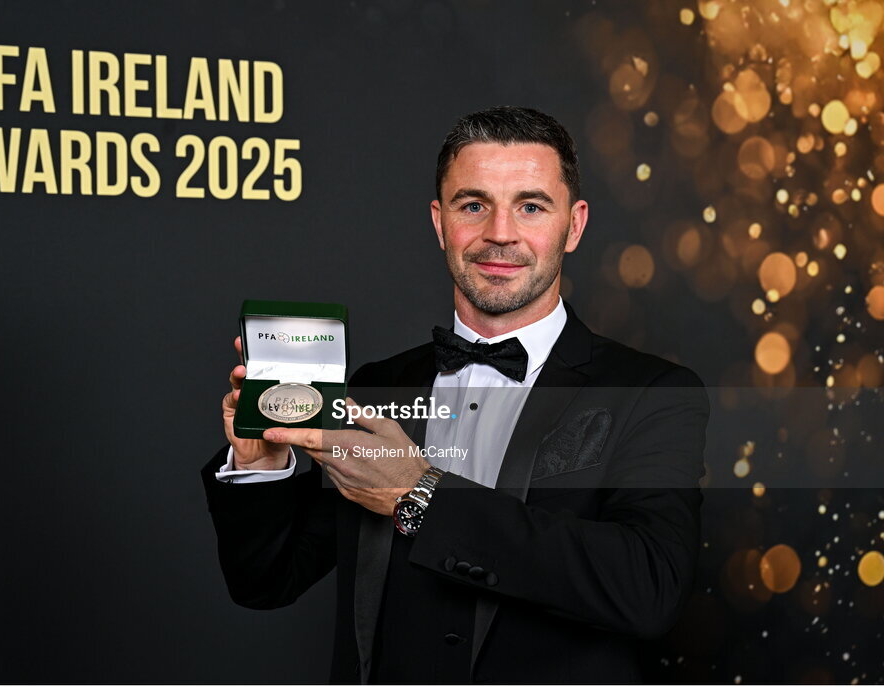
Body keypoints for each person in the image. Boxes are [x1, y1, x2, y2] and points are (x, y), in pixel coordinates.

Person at [202, 105, 709, 684]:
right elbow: (266, 583)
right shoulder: (375, 387)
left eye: (531, 206)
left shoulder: (653, 394)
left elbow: (648, 590)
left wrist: (417, 494)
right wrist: (262, 467)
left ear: (573, 225)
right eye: (474, 205)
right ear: (440, 223)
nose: (499, 233)